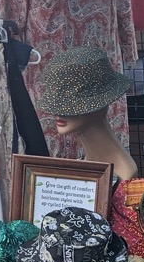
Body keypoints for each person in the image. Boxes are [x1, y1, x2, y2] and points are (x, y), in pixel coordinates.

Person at [36, 47, 138, 181]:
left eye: (70, 107)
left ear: (99, 105)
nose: (57, 114)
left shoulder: (123, 173)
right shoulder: (88, 161)